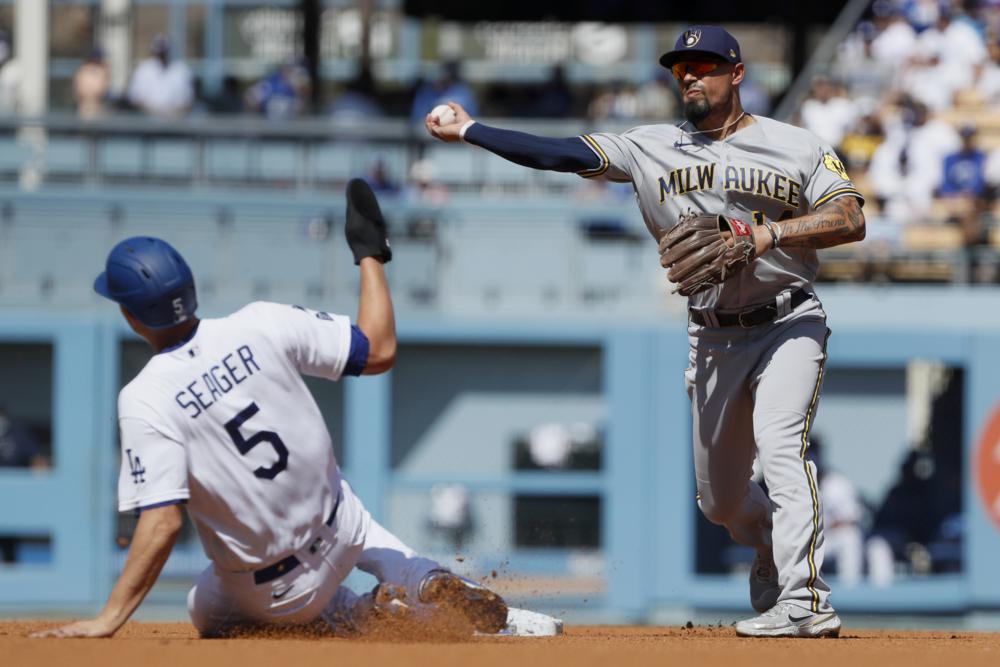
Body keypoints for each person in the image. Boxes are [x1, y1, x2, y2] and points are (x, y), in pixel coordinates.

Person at [427, 24, 866, 638]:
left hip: (788, 319)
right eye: (680, 66)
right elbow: (562, 153)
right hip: (712, 336)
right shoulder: (648, 146)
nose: (689, 74)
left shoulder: (795, 145)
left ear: (736, 74)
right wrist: (472, 129)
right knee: (721, 503)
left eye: (705, 64)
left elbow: (850, 217)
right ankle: (769, 542)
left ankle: (804, 600)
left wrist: (765, 235)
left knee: (782, 443)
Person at [32, 181, 557, 639]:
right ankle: (421, 578)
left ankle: (368, 613)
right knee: (364, 533)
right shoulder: (261, 322)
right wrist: (369, 253)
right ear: (189, 290)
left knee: (204, 609)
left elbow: (163, 522)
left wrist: (108, 619)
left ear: (129, 314)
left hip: (275, 589)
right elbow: (379, 350)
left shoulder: (145, 396)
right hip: (344, 526)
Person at [127, 36, 193, 118]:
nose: (162, 56)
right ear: (154, 52)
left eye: (164, 52)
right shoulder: (144, 69)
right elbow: (135, 98)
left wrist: (171, 113)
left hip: (174, 120)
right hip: (147, 119)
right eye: (160, 53)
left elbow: (187, 101)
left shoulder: (181, 70)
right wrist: (153, 111)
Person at [73, 47, 110, 119]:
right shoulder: (84, 70)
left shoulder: (99, 70)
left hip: (94, 108)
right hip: (85, 108)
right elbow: (79, 89)